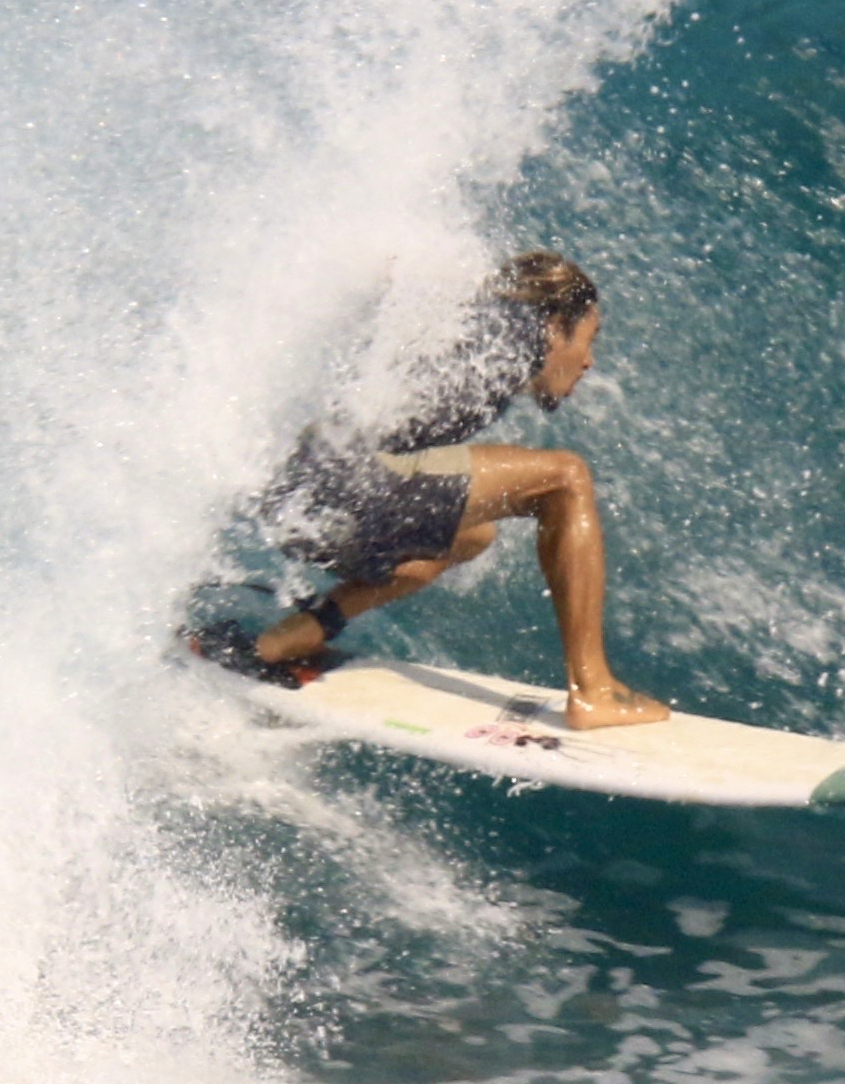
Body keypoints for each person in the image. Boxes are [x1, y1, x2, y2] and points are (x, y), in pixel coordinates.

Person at [199, 250, 672, 730]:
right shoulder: (510, 335)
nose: (589, 362)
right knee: (567, 478)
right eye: (589, 341)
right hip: (343, 488)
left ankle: (285, 640)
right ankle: (594, 690)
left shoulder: (475, 332)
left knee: (471, 536)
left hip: (301, 504)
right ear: (553, 325)